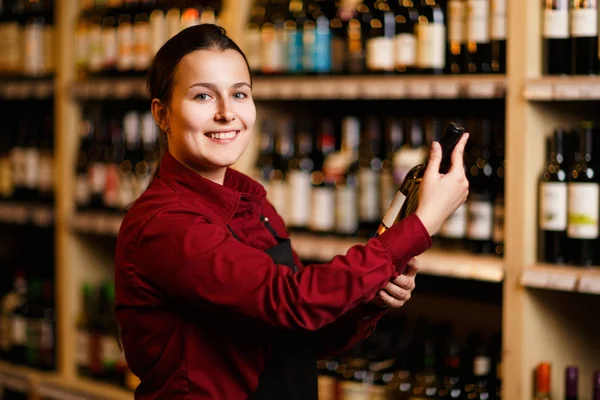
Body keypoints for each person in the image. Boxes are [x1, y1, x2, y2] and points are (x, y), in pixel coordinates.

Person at [114, 24, 469, 400]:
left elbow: (302, 332)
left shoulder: (252, 202)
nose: (226, 113)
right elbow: (290, 300)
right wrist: (422, 223)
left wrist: (370, 300)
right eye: (202, 96)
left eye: (239, 94)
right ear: (162, 114)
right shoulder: (165, 224)